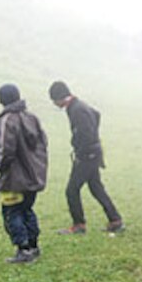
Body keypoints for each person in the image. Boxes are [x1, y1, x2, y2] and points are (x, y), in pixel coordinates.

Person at [48, 80, 124, 235]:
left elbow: (86, 134)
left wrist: (81, 151)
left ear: (59, 98)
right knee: (96, 187)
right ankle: (115, 220)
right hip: (93, 153)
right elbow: (96, 114)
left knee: (71, 190)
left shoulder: (77, 109)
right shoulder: (78, 105)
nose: (54, 104)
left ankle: (78, 225)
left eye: (53, 101)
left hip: (87, 155)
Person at [0, 83, 48, 263]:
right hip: (34, 176)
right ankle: (33, 246)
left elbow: (5, 150)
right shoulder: (32, 118)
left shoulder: (7, 120)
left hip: (14, 178)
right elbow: (43, 143)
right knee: (27, 209)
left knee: (12, 211)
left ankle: (23, 250)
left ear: (1, 99)